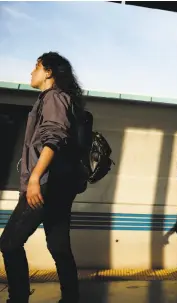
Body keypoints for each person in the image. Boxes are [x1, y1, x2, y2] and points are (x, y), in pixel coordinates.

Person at [0, 52, 83, 303]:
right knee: (59, 247)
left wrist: (35, 178)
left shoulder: (54, 98)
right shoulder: (58, 99)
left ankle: (19, 298)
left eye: (35, 67)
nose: (30, 72)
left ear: (48, 72)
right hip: (57, 185)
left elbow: (53, 138)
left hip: (45, 183)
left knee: (9, 243)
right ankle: (71, 298)